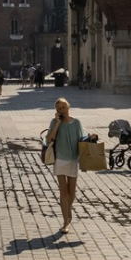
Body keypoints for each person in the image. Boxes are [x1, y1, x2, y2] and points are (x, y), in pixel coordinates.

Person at [44, 98, 85, 234]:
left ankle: (67, 211)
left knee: (71, 192)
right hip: (60, 159)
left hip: (73, 159)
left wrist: (91, 137)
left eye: (63, 107)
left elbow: (82, 138)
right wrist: (57, 123)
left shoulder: (77, 122)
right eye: (58, 108)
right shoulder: (55, 122)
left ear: (68, 106)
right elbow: (49, 138)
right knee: (64, 192)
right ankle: (66, 222)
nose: (61, 110)